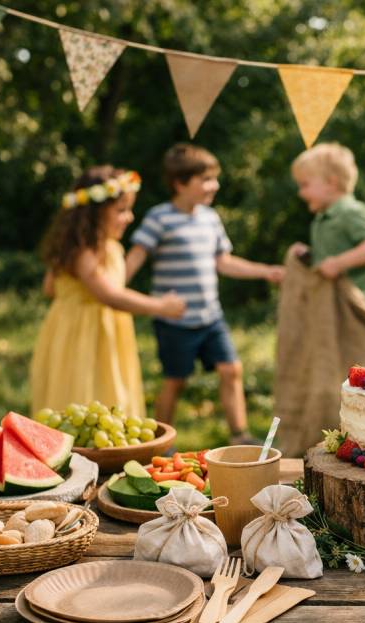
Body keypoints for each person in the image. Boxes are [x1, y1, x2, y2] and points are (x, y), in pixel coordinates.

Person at [126, 144, 283, 442]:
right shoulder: (159, 218)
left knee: (231, 369)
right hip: (175, 321)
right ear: (180, 183)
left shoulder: (210, 218)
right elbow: (135, 257)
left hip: (211, 317)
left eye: (214, 178)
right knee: (176, 381)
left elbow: (223, 262)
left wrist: (265, 271)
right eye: (206, 179)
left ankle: (240, 434)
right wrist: (112, 287)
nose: (215, 185)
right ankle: (159, 442)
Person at [31, 166, 185, 418]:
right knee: (84, 392)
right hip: (83, 335)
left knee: (108, 392)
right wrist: (160, 307)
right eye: (121, 210)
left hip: (90, 330)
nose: (129, 217)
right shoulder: (84, 251)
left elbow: (49, 288)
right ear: (93, 214)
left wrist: (71, 293)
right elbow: (109, 295)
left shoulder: (99, 247)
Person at [287, 142, 365, 352]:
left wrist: (338, 263)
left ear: (331, 183)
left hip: (361, 305)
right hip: (335, 307)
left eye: (305, 185)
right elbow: (329, 256)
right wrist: (309, 256)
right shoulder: (321, 218)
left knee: (363, 363)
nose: (300, 193)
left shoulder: (351, 212)